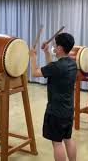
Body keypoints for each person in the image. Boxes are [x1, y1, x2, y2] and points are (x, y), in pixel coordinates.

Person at [30, 33, 77, 161]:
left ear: (60, 48)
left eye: (55, 46)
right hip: (68, 110)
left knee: (57, 143)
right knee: (68, 139)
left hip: (56, 111)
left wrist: (32, 56)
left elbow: (35, 72)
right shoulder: (72, 64)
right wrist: (46, 52)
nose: (54, 47)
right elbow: (53, 69)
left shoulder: (57, 66)